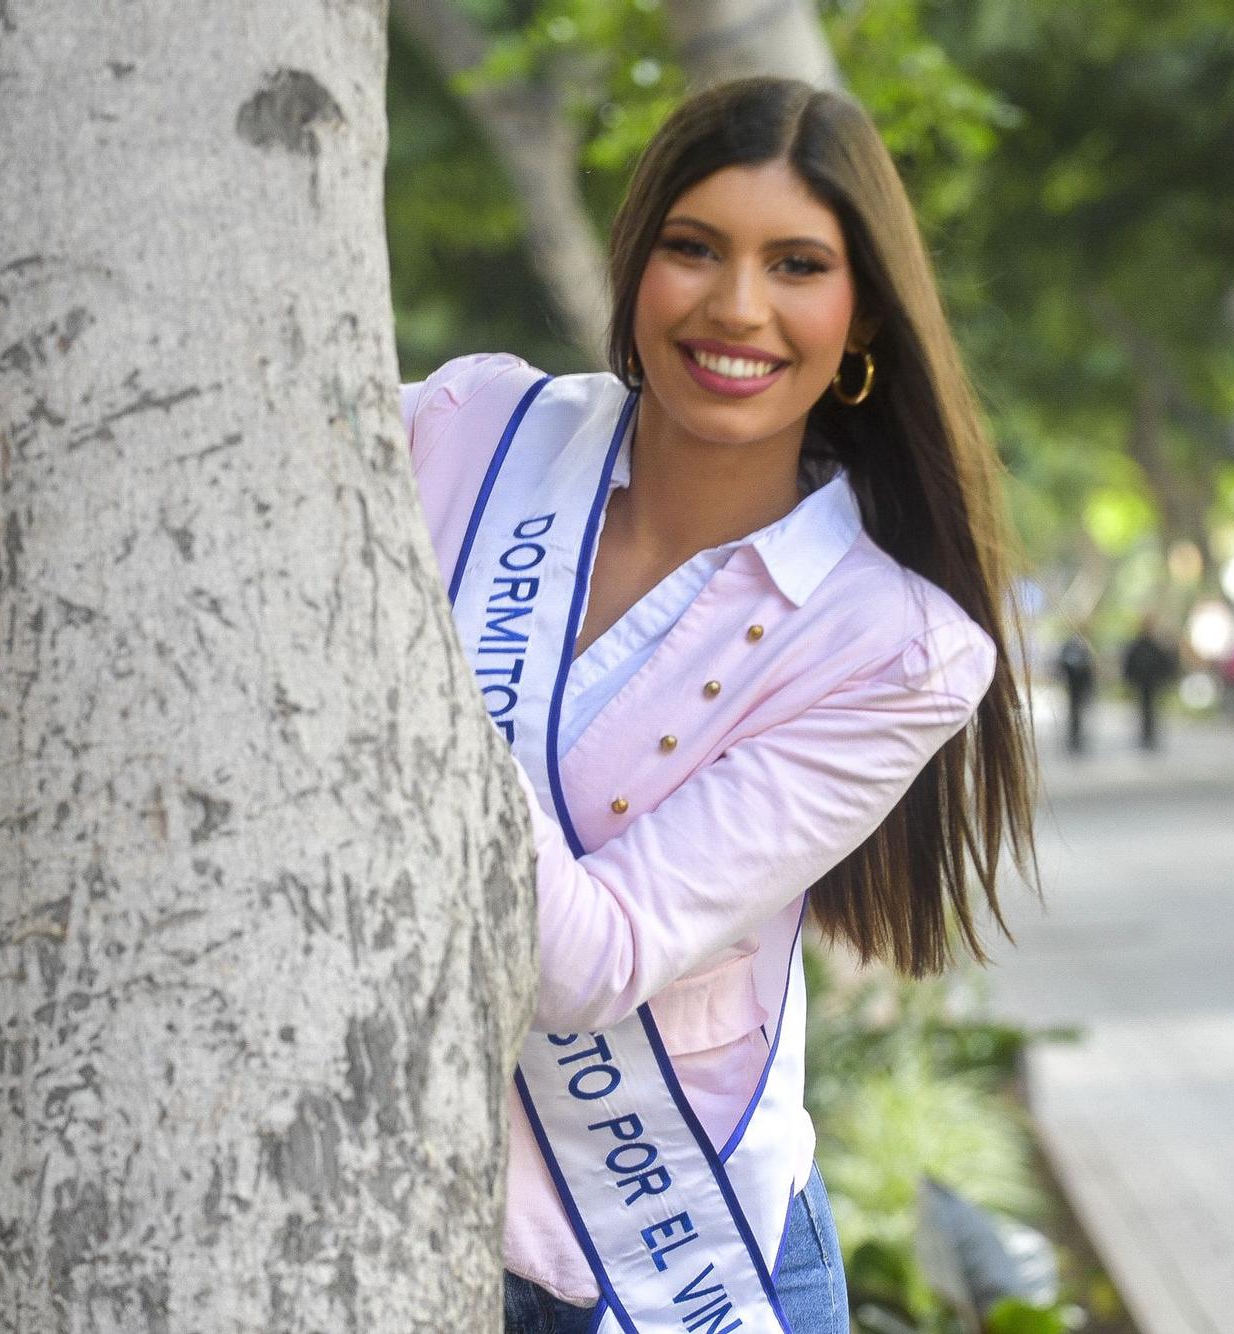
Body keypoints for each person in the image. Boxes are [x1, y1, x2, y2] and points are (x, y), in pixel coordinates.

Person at [400, 77, 1036, 1334]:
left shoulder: (893, 647)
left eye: (796, 264)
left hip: (666, 1277)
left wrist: (414, 687)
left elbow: (589, 960)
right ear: (635, 265)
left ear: (861, 314)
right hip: (381, 1232)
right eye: (693, 248)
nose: (735, 305)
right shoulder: (475, 430)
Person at [1121, 616, 1179, 751]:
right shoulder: (1141, 645)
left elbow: (1164, 663)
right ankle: (1146, 735)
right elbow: (1130, 663)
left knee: (1149, 710)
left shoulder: (1154, 646)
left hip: (1152, 683)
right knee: (1145, 710)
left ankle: (1149, 735)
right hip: (1142, 682)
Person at [1054, 631, 1096, 754]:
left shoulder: (1083, 646)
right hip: (1075, 683)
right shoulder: (1076, 646)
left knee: (1077, 711)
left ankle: (1076, 737)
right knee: (1075, 711)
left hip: (1078, 684)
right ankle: (1074, 737)